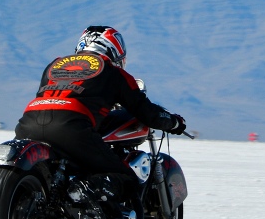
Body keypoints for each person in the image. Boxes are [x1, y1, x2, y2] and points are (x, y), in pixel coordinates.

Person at [15, 25, 186, 208]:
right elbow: (145, 111)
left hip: (28, 123)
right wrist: (173, 122)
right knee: (127, 180)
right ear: (114, 50)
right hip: (72, 128)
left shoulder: (55, 64)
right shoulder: (113, 72)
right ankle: (86, 200)